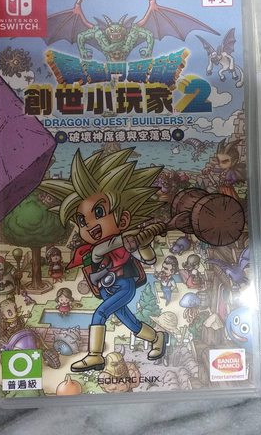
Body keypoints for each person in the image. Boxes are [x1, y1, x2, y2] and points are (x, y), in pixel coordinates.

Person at [39, 148, 168, 372]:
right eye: (82, 220)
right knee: (130, 322)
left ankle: (95, 356)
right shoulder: (98, 248)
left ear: (123, 219)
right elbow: (101, 250)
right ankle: (157, 337)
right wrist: (128, 240)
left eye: (98, 213)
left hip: (123, 284)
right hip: (106, 287)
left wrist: (144, 244)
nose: (89, 225)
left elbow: (149, 259)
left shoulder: (124, 243)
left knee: (99, 314)